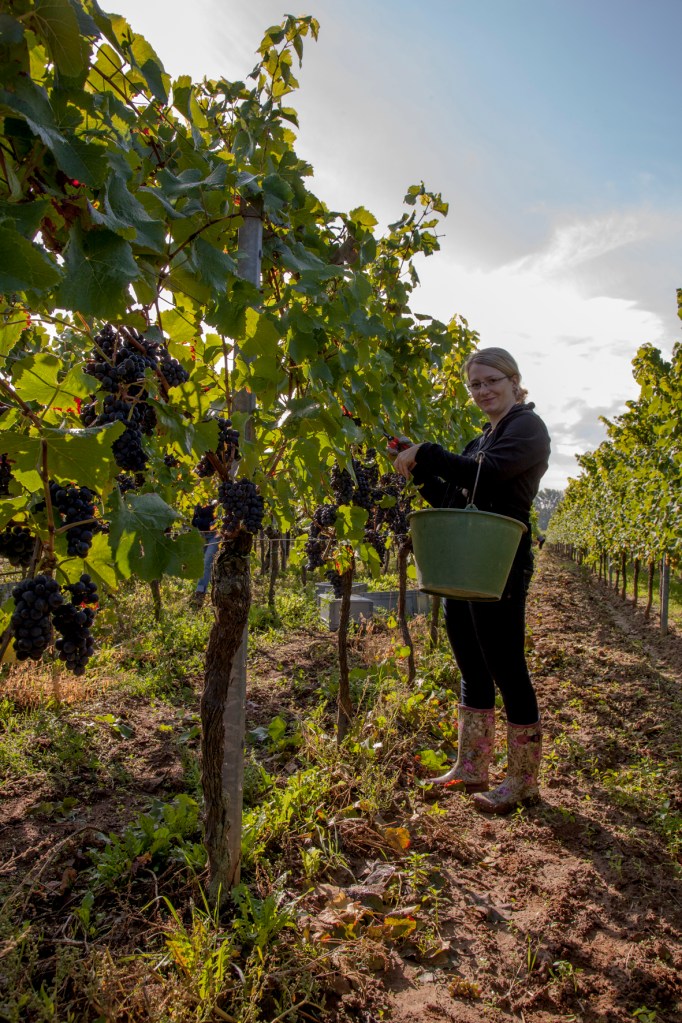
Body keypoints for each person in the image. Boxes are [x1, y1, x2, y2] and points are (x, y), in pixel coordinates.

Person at [393, 348, 550, 814]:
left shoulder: (527, 428)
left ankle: (522, 781)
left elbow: (492, 474)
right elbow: (451, 495)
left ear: (514, 381)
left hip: (499, 560)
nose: (483, 391)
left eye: (491, 381)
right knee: (471, 664)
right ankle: (472, 766)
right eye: (475, 385)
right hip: (463, 559)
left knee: (507, 666)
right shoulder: (479, 438)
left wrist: (429, 452)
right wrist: (419, 469)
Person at [191, 501, 219, 605]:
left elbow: (216, 522)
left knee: (207, 562)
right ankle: (214, 590)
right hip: (202, 535)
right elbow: (194, 521)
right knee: (203, 564)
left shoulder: (215, 500)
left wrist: (203, 522)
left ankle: (200, 593)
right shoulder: (199, 499)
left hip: (215, 536)